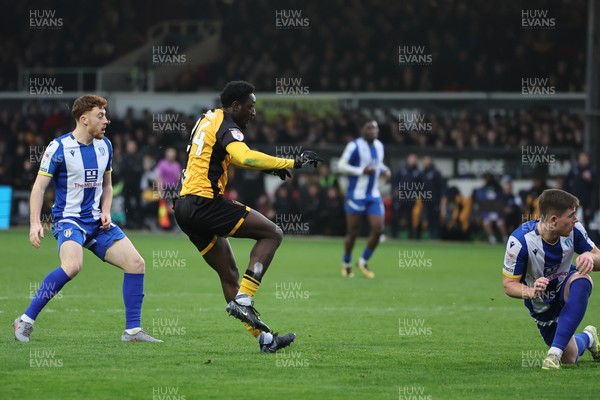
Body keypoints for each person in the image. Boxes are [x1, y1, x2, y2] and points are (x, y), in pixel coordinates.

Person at [173, 81, 322, 353]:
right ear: (236, 106)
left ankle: (264, 340)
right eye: (251, 107)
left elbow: (230, 157)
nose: (254, 113)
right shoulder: (228, 125)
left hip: (184, 207)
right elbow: (246, 158)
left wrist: (270, 170)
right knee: (273, 233)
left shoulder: (208, 118)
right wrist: (292, 162)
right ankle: (245, 298)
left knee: (229, 275)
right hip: (205, 203)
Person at [13, 94, 162, 343]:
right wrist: (35, 223)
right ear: (84, 119)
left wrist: (106, 209)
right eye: (100, 116)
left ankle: (133, 331)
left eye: (106, 115)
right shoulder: (58, 147)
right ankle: (25, 321)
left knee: (137, 263)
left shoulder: (106, 146)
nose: (107, 120)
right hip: (69, 220)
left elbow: (108, 185)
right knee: (72, 266)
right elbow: (38, 188)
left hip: (96, 222)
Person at [502, 189, 600, 369]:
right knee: (570, 358)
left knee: (582, 280)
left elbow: (597, 257)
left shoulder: (574, 230)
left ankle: (553, 354)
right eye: (571, 215)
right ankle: (589, 337)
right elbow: (508, 285)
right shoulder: (520, 241)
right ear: (554, 220)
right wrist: (531, 291)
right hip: (542, 306)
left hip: (565, 286)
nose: (576, 220)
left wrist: (591, 258)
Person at [337, 120, 390, 278]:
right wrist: (361, 170)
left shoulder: (380, 146)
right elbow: (341, 165)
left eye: (375, 129)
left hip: (373, 195)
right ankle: (346, 264)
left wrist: (386, 171)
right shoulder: (354, 146)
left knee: (378, 229)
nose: (372, 131)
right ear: (363, 131)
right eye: (369, 128)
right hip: (356, 195)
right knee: (353, 232)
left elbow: (378, 165)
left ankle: (363, 261)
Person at [564, 152, 598, 228]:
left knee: (587, 222)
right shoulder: (574, 169)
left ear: (588, 160)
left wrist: (590, 179)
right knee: (572, 220)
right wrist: (568, 194)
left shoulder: (592, 170)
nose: (582, 161)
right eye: (581, 159)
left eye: (584, 159)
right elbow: (566, 182)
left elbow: (597, 183)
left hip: (587, 200)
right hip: (574, 200)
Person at [392, 153, 421, 239]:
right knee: (396, 216)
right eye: (411, 159)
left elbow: (421, 184)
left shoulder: (417, 172)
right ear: (408, 159)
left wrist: (417, 194)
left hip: (411, 197)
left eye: (414, 159)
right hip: (400, 196)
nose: (413, 161)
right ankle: (394, 234)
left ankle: (411, 236)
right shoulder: (401, 169)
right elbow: (395, 181)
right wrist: (395, 190)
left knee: (410, 217)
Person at [419, 155, 446, 240]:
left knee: (436, 218)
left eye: (426, 160)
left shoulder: (435, 172)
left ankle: (437, 235)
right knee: (429, 218)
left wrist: (443, 197)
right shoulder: (423, 173)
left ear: (430, 161)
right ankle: (431, 235)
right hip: (426, 200)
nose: (425, 162)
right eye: (424, 160)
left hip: (435, 200)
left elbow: (441, 186)